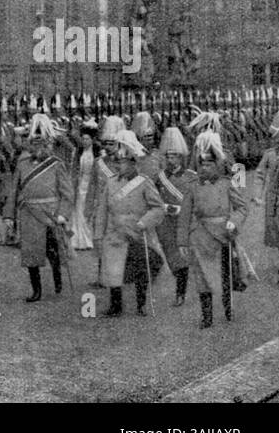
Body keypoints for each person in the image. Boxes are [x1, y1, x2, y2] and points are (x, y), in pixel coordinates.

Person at [93, 129, 166, 317]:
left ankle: (141, 303)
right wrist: (98, 235)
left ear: (133, 163)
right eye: (117, 162)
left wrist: (144, 222)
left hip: (138, 232)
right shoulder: (110, 184)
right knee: (113, 271)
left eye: (122, 162)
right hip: (115, 232)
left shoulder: (144, 182)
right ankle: (115, 306)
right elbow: (102, 211)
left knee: (141, 270)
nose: (118, 166)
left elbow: (158, 208)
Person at [179, 136, 248, 328]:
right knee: (201, 278)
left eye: (209, 164)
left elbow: (242, 207)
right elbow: (184, 215)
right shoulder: (192, 186)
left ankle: (227, 308)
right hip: (200, 236)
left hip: (222, 236)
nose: (205, 168)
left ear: (216, 164)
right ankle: (206, 316)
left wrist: (234, 222)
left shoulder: (226, 184)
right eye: (202, 164)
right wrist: (182, 242)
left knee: (225, 275)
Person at [5, 114, 74, 303]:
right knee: (30, 253)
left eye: (41, 143)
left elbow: (67, 194)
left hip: (50, 214)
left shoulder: (56, 164)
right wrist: (9, 216)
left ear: (48, 144)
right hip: (28, 213)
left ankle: (57, 277)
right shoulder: (21, 164)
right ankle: (37, 290)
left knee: (53, 251)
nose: (38, 147)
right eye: (34, 143)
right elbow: (13, 191)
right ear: (29, 144)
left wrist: (62, 215)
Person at [155, 127, 199, 306]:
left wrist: (182, 210)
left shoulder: (191, 177)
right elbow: (154, 198)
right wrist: (163, 207)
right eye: (168, 157)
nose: (170, 160)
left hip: (183, 223)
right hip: (165, 223)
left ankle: (180, 293)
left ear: (181, 157)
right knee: (172, 257)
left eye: (174, 157)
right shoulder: (160, 177)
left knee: (182, 258)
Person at [257, 112, 279, 286]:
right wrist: (257, 194)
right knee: (278, 233)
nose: (277, 141)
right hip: (274, 199)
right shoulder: (270, 154)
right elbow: (260, 173)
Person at [70, 123, 101, 250]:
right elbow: (75, 169)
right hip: (80, 183)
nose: (84, 141)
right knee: (79, 210)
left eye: (87, 139)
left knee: (89, 210)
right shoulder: (78, 152)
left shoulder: (97, 153)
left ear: (92, 140)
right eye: (83, 139)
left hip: (92, 183)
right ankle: (79, 239)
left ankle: (89, 238)